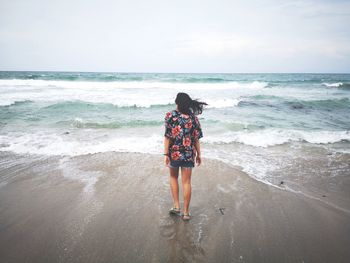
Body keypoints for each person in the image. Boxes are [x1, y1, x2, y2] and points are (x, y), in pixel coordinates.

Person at [163, 92, 207, 221]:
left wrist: (166, 154)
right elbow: (196, 139)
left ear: (177, 103)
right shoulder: (193, 118)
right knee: (187, 182)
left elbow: (168, 136)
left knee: (173, 177)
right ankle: (186, 213)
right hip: (188, 154)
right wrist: (199, 154)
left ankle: (176, 206)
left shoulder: (170, 115)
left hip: (174, 153)